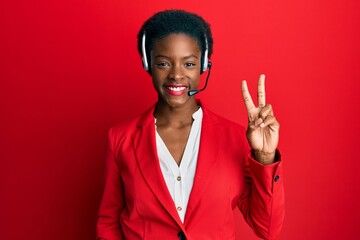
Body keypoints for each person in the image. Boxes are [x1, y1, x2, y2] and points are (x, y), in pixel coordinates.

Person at [97, 10, 284, 240]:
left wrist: (265, 157)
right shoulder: (120, 139)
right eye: (164, 63)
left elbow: (267, 229)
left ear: (203, 65)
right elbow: (108, 222)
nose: (176, 75)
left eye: (189, 63)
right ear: (148, 64)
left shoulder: (236, 137)